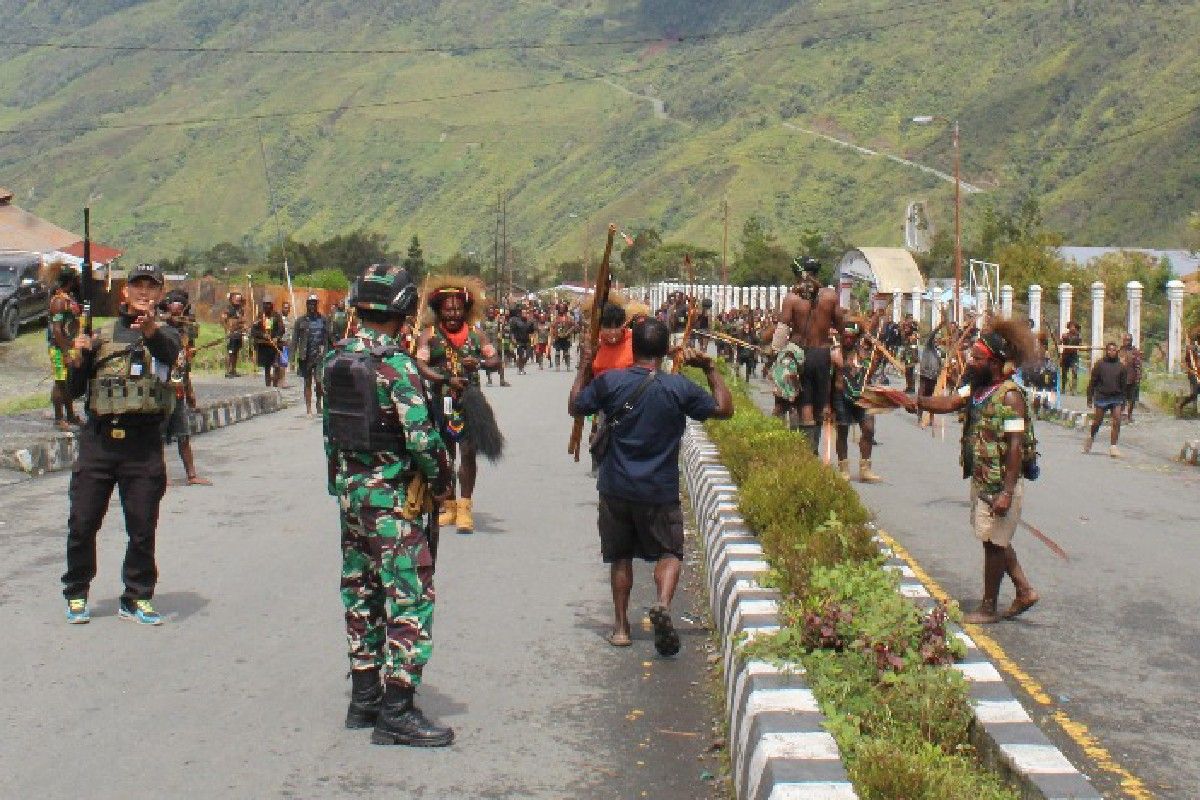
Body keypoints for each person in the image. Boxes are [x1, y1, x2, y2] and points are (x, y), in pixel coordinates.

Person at [322, 263, 454, 746]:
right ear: (402, 309)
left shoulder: (333, 360)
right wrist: (443, 480)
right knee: (409, 597)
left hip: (352, 496)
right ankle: (397, 710)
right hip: (393, 498)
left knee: (360, 592)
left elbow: (331, 436)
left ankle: (364, 699)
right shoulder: (396, 366)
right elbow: (422, 438)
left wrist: (343, 487)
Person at [569, 317, 733, 654]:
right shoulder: (677, 387)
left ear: (634, 347)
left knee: (620, 556)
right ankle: (661, 602)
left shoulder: (612, 382)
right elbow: (723, 409)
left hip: (615, 487)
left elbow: (575, 405)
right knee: (670, 552)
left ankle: (620, 627)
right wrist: (710, 368)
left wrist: (585, 364)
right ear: (665, 350)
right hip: (659, 489)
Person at [61, 263, 181, 626]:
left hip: (142, 445)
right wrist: (78, 358)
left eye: (151, 287)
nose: (144, 293)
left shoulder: (167, 335)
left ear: (160, 294)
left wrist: (149, 329)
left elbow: (169, 354)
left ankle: (137, 596)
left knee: (142, 526)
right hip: (99, 442)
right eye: (137, 286)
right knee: (82, 522)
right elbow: (74, 390)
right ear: (124, 292)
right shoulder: (100, 335)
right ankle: (77, 591)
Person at [905, 318, 1039, 624]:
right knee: (993, 540)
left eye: (977, 358)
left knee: (994, 544)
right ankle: (1024, 590)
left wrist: (1006, 492)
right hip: (983, 479)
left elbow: (1016, 446)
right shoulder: (978, 389)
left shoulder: (1010, 396)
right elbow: (951, 402)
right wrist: (917, 401)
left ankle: (988, 607)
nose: (970, 361)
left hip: (1000, 484)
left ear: (993, 362)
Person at [415, 276, 503, 534]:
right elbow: (420, 365)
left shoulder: (476, 335)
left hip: (469, 401)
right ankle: (449, 505)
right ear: (438, 309)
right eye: (447, 309)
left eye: (457, 309)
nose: (452, 314)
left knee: (468, 451)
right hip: (441, 400)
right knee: (445, 452)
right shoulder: (429, 336)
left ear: (465, 310)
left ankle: (465, 507)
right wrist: (444, 378)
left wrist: (481, 364)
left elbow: (496, 361)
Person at [778, 256, 844, 452]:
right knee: (821, 400)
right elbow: (840, 323)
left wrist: (775, 353)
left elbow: (782, 328)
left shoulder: (792, 298)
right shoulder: (830, 296)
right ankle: (813, 444)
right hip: (822, 354)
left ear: (799, 273)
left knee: (804, 399)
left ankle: (809, 449)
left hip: (801, 353)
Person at [160, 290, 210, 486]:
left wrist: (190, 394)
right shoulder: (161, 332)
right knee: (159, 437)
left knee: (183, 435)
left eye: (181, 312)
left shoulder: (184, 334)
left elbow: (184, 368)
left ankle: (191, 475)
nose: (179, 316)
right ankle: (161, 476)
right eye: (175, 311)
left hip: (178, 389)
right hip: (162, 391)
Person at [832, 326, 881, 483]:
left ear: (855, 338)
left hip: (862, 396)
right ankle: (843, 468)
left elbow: (870, 372)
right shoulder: (835, 354)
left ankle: (865, 469)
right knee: (842, 432)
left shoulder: (863, 353)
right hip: (841, 396)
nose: (848, 340)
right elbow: (828, 380)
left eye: (851, 337)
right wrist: (827, 405)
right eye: (845, 337)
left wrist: (876, 351)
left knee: (868, 429)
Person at [47, 270, 83, 430]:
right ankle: (58, 417)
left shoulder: (68, 299)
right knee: (60, 383)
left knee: (67, 383)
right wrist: (66, 352)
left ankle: (70, 415)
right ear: (70, 282)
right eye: (77, 280)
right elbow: (57, 330)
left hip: (68, 346)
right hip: (58, 349)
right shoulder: (59, 302)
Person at [292, 294, 335, 415]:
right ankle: (308, 408)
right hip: (305, 356)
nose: (312, 305)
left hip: (320, 355)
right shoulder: (300, 321)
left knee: (319, 381)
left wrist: (336, 349)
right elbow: (295, 339)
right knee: (307, 382)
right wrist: (291, 357)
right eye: (310, 303)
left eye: (314, 303)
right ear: (307, 305)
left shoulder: (324, 319)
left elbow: (330, 336)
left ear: (317, 305)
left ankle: (318, 403)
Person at [1085, 342, 1127, 458]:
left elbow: (1124, 385)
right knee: (1097, 422)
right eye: (1109, 350)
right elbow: (1093, 382)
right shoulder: (1100, 365)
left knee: (1117, 420)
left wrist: (1124, 401)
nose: (1111, 352)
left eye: (1114, 350)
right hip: (1102, 397)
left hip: (1116, 397)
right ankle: (1091, 437)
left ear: (1117, 352)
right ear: (1106, 351)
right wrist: (1089, 397)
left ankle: (1113, 446)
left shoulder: (1121, 367)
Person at [252, 298, 285, 387]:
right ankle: (268, 386)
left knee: (276, 365)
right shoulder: (260, 316)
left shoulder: (276, 316)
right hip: (264, 345)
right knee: (267, 367)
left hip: (275, 345)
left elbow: (281, 329)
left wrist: (277, 337)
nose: (267, 306)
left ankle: (275, 385)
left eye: (269, 304)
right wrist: (263, 335)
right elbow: (254, 330)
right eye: (265, 304)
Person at [1117, 333, 1142, 423]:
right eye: (1126, 340)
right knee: (1120, 398)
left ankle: (1129, 415)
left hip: (1132, 378)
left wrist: (1138, 377)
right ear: (1123, 341)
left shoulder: (1135, 352)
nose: (1127, 342)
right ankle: (1120, 414)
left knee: (1131, 398)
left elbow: (1138, 365)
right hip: (1120, 378)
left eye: (1129, 340)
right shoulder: (1119, 351)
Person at [222, 292, 247, 378]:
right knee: (230, 352)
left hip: (239, 334)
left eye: (239, 299)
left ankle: (233, 370)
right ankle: (228, 370)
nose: (238, 301)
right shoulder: (228, 309)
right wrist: (227, 330)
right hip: (231, 334)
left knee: (236, 352)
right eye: (237, 299)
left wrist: (243, 327)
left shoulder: (240, 309)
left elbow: (243, 321)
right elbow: (224, 320)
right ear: (232, 299)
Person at [1178, 329, 1200, 415]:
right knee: (1194, 394)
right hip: (1193, 373)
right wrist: (1190, 370)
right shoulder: (1190, 350)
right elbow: (1184, 363)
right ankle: (1181, 405)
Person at [508, 306, 535, 375]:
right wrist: (513, 339)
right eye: (523, 313)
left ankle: (522, 364)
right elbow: (512, 331)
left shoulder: (529, 322)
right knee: (521, 355)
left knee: (527, 355)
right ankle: (520, 369)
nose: (524, 314)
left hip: (527, 341)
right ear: (520, 314)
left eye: (525, 313)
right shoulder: (516, 322)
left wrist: (532, 325)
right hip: (519, 340)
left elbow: (532, 331)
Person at [1059, 320, 1082, 394]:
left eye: (1073, 327)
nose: (1072, 328)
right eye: (1071, 327)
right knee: (1064, 373)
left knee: (1074, 372)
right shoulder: (1065, 335)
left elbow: (1079, 344)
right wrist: (1061, 340)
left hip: (1074, 356)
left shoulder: (1078, 336)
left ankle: (1074, 390)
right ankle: (1063, 388)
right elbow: (1060, 343)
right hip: (1065, 356)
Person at [551, 306, 576, 371]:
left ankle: (568, 366)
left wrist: (569, 332)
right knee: (557, 352)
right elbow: (552, 327)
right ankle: (557, 366)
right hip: (558, 338)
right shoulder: (556, 318)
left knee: (567, 352)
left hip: (566, 337)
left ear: (565, 310)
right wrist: (554, 336)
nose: (561, 310)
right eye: (560, 308)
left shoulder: (569, 318)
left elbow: (574, 326)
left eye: (563, 308)